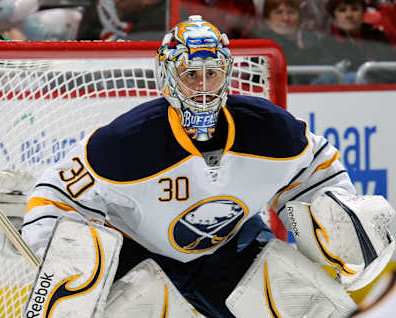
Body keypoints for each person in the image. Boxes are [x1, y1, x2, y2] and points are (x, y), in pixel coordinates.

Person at [22, 15, 395, 318]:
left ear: (227, 73)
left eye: (212, 73)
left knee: (303, 302)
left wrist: (328, 227)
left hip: (231, 248)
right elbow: (57, 194)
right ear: (168, 78)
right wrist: (56, 265)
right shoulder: (126, 143)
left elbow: (317, 170)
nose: (203, 87)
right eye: (190, 75)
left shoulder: (269, 130)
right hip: (139, 256)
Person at [314, 0, 396, 84]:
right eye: (342, 10)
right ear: (334, 16)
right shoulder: (326, 43)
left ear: (363, 13)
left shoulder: (377, 36)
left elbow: (391, 67)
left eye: (355, 9)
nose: (349, 15)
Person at [251, 0, 329, 84]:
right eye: (278, 12)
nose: (285, 18)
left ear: (300, 17)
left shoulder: (312, 38)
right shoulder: (261, 43)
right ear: (267, 18)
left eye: (291, 12)